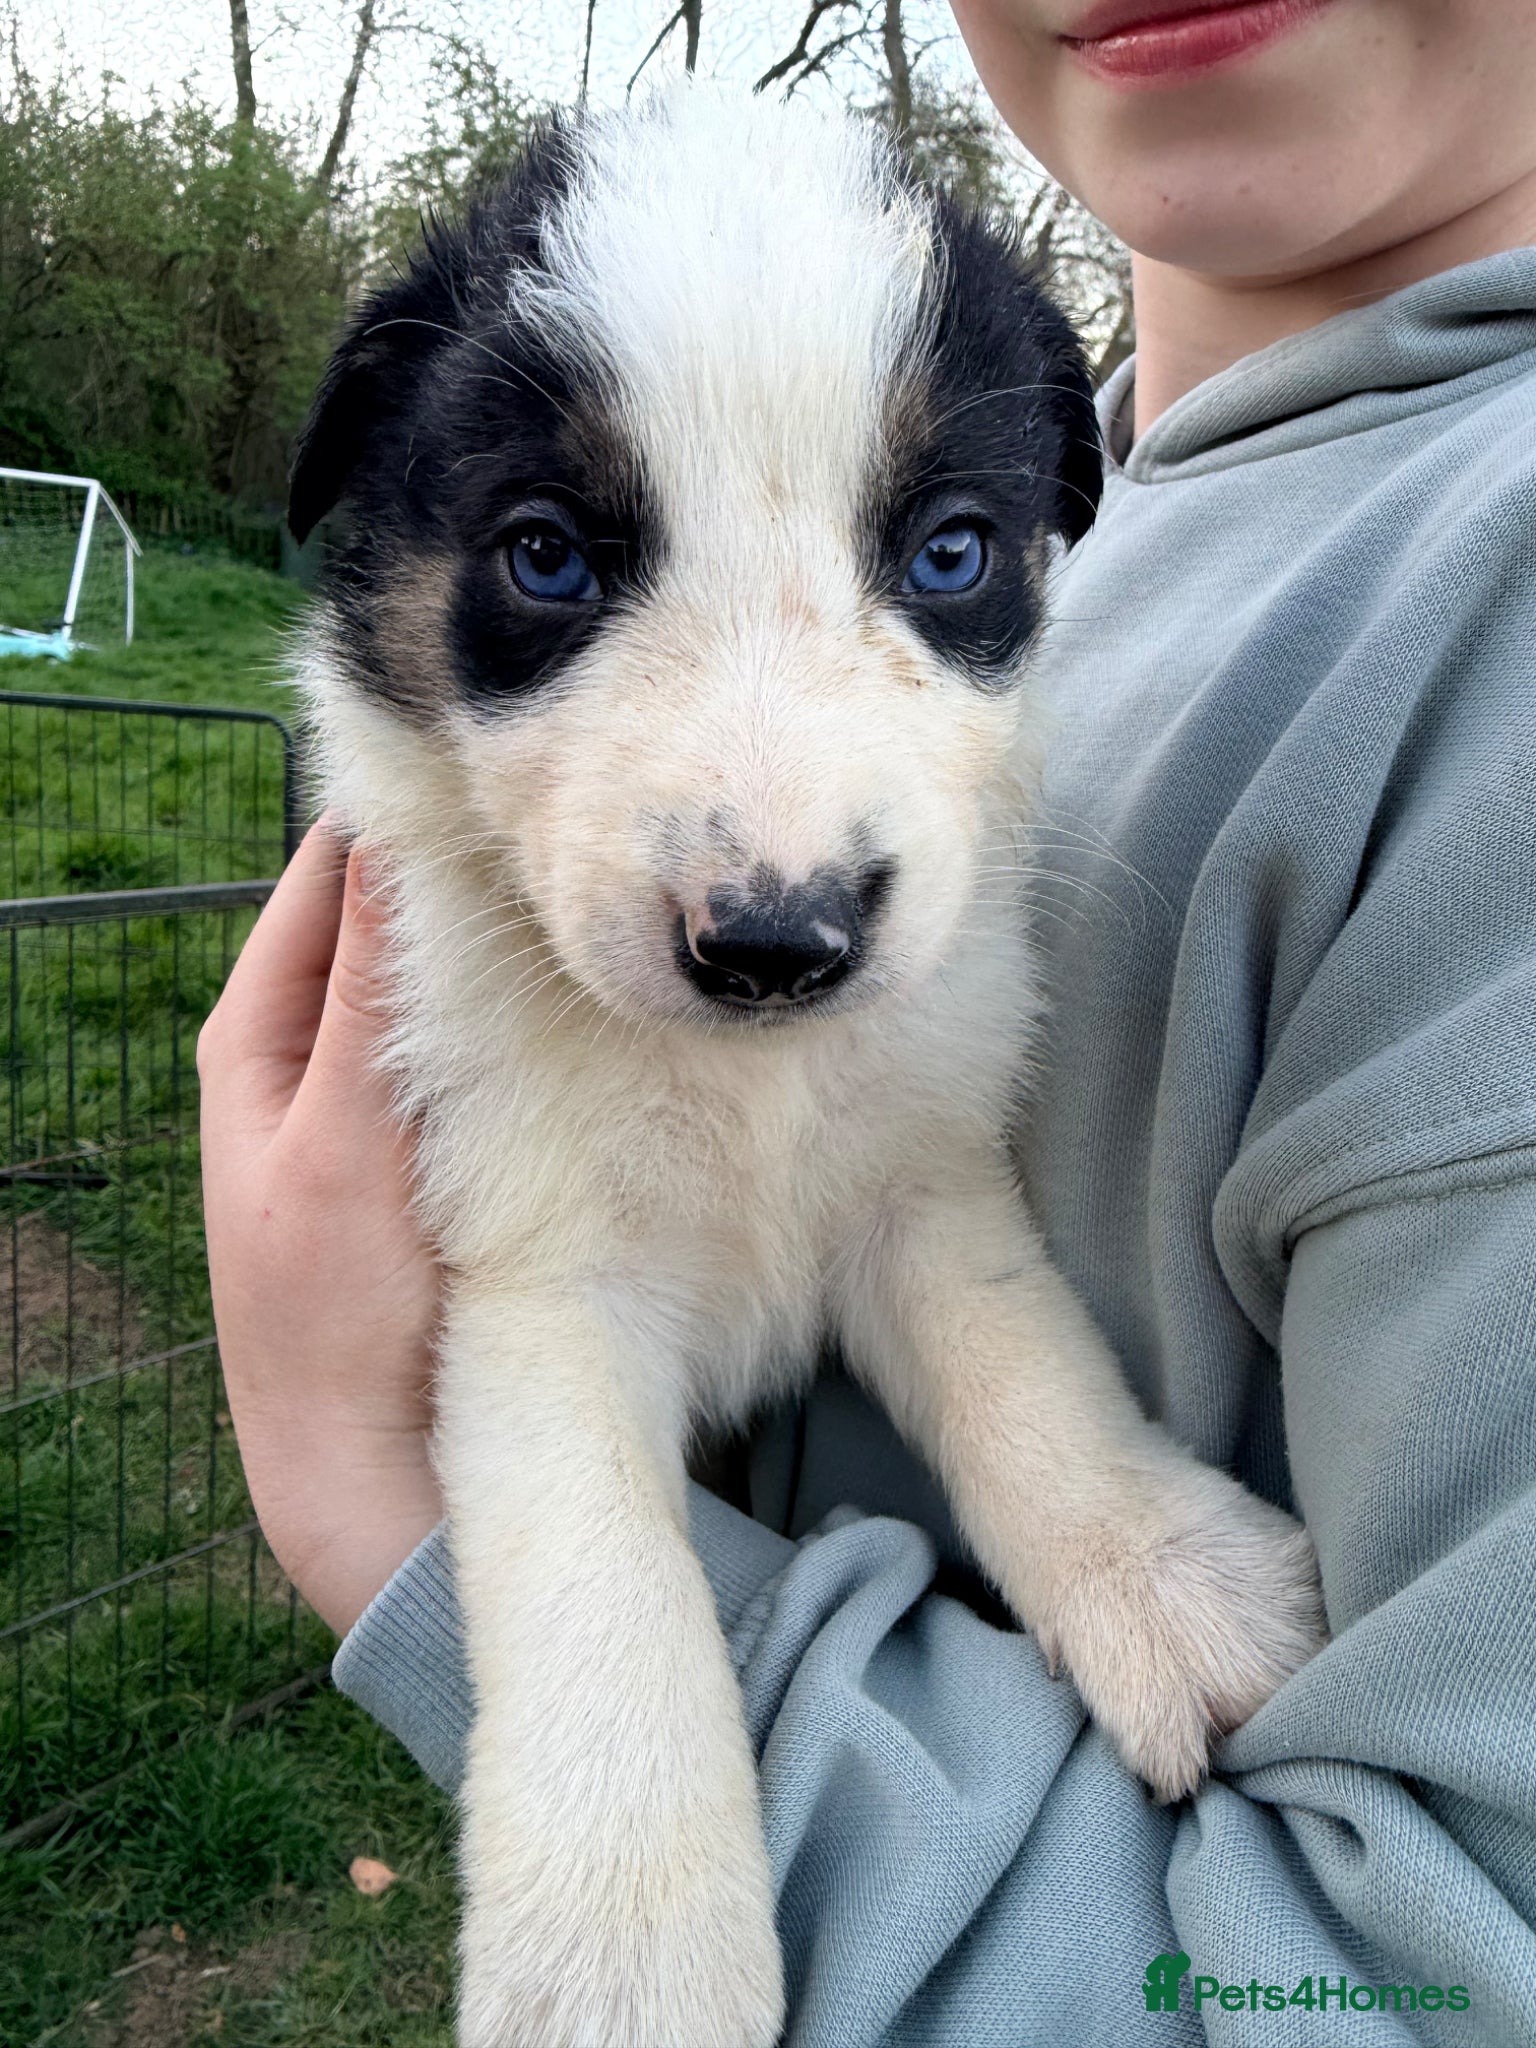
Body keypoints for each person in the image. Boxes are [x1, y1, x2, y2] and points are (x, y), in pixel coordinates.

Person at [197, 0, 1536, 2038]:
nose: (777, 868)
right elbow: (559, 1288)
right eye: (550, 557)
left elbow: (906, 1192)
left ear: (1034, 525)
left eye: (941, 555)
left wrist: (1099, 1523)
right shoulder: (1151, 500)